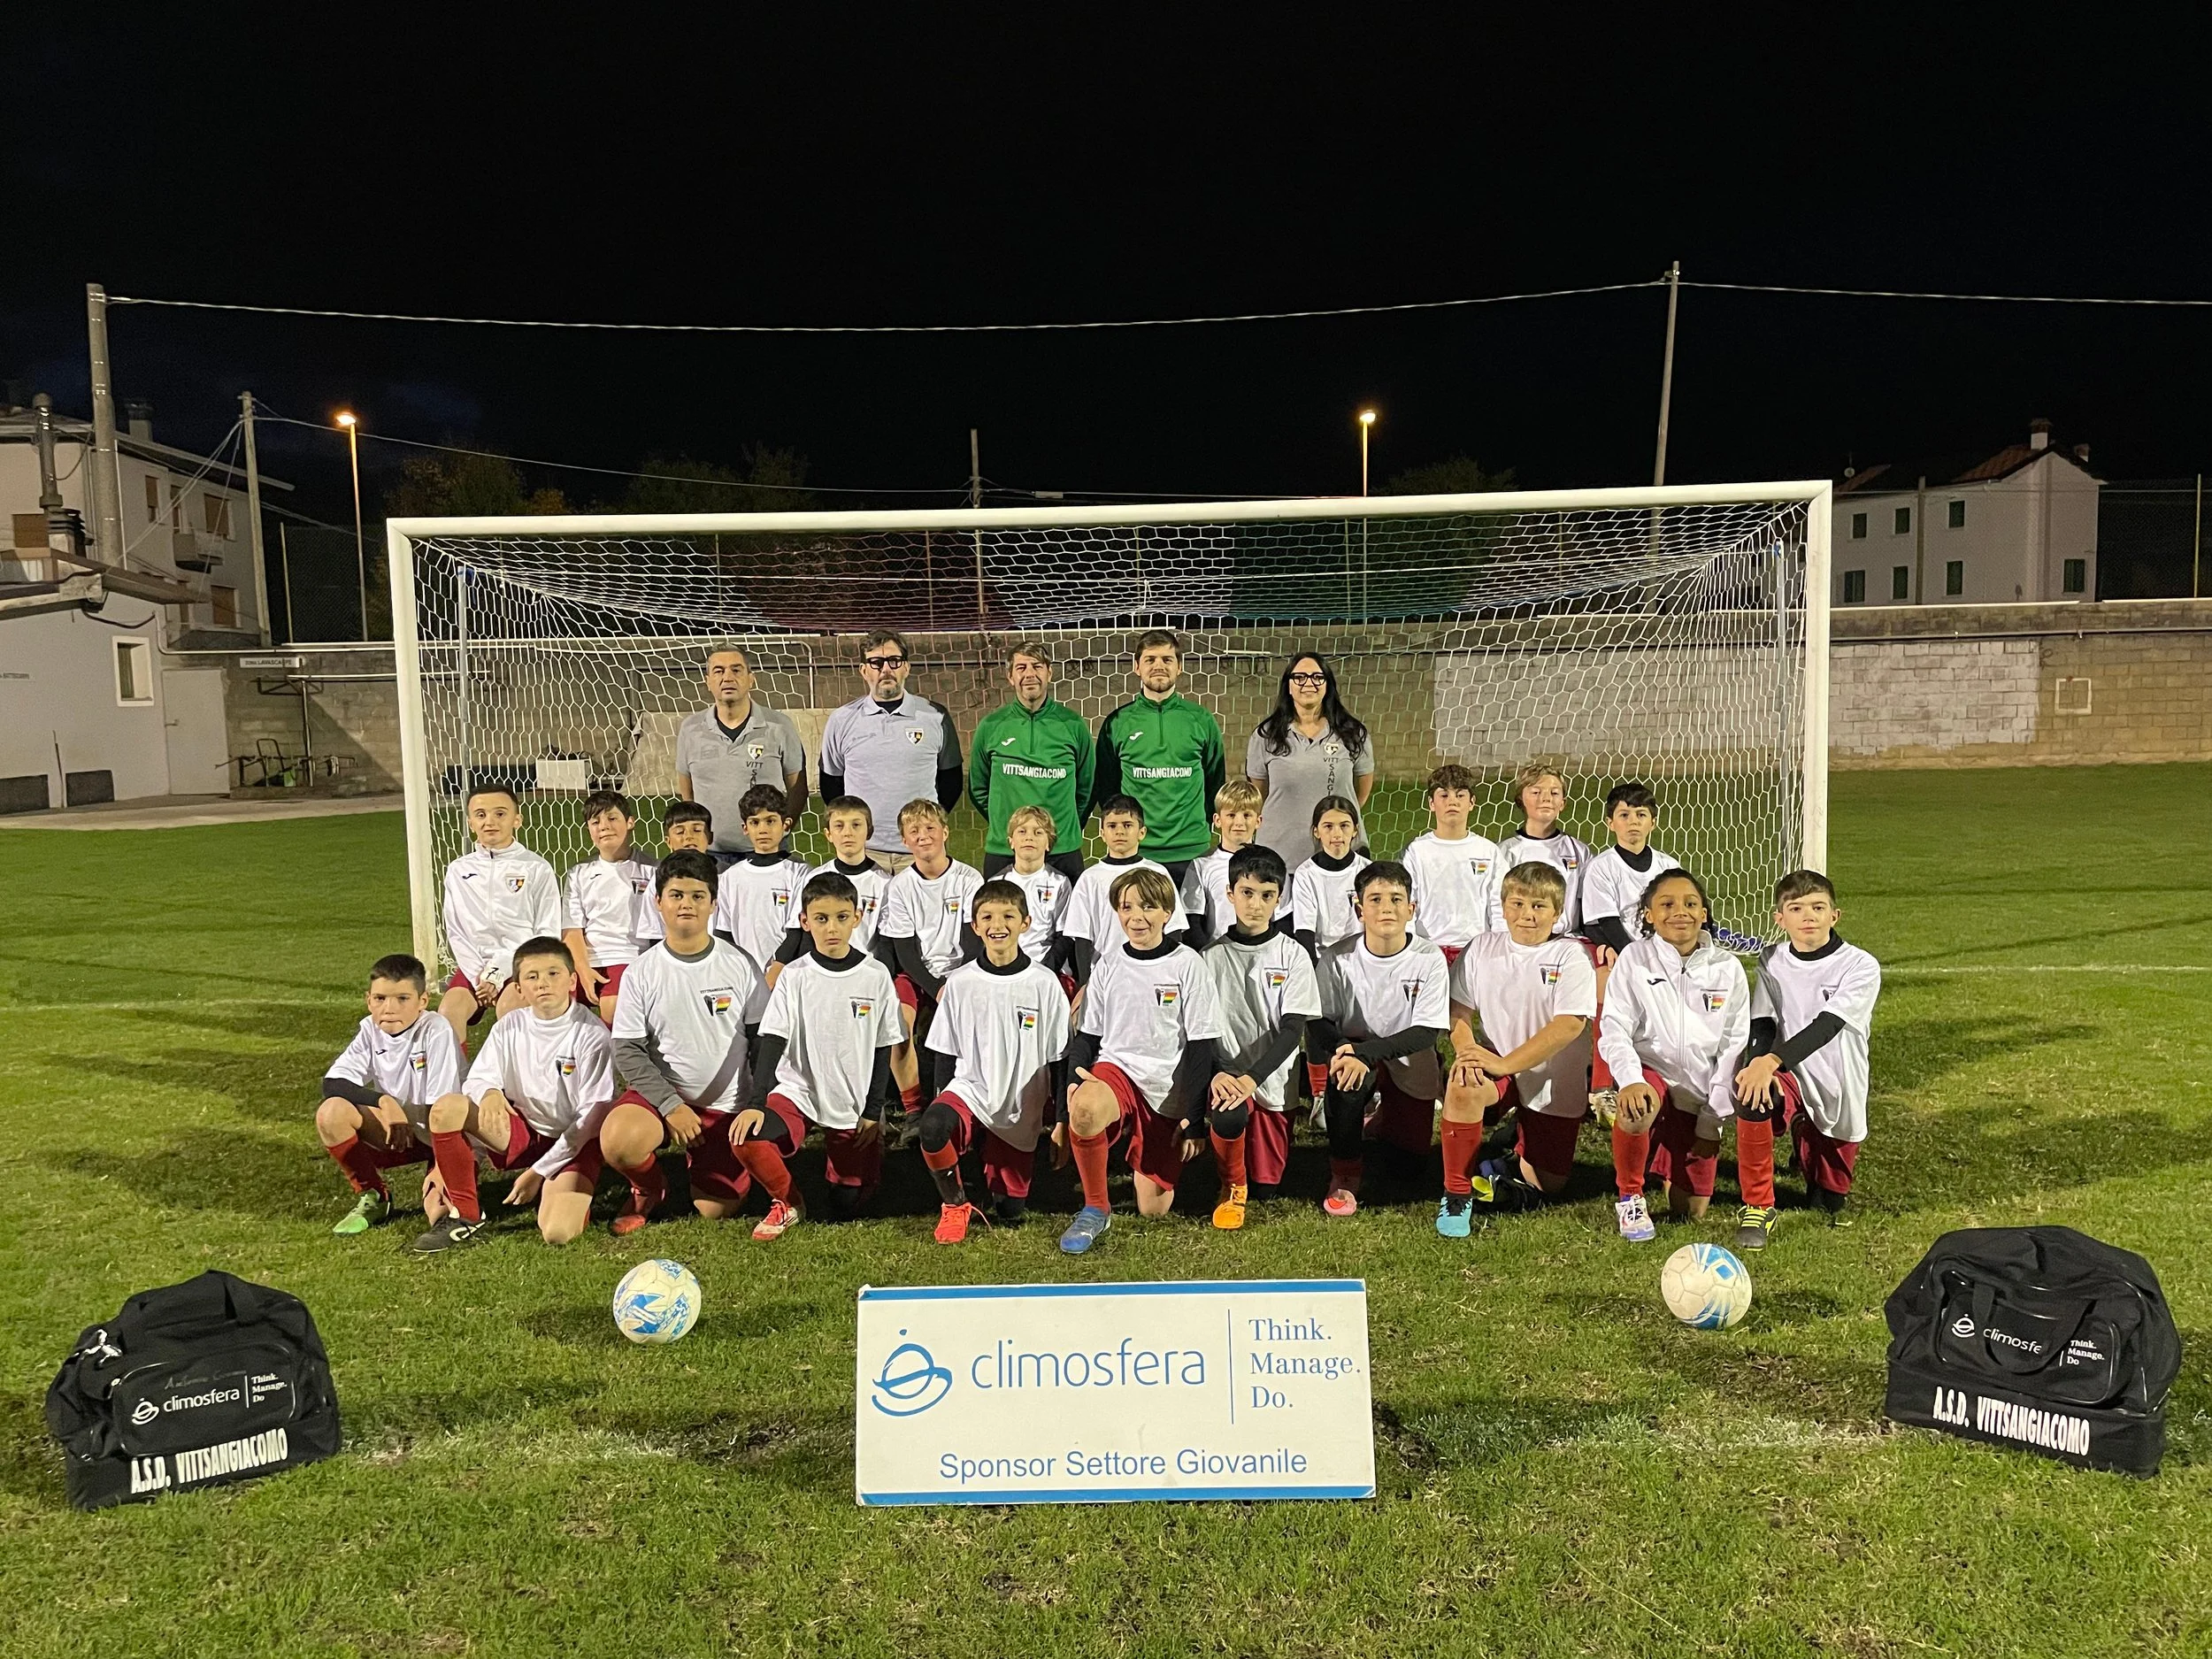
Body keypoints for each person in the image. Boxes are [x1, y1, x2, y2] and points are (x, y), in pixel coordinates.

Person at [1056, 866, 1226, 1254]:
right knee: (1085, 1105)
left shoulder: (1188, 966)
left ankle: (1139, 1161)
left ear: (1167, 912)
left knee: (1153, 1209)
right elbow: (1088, 1036)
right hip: (1116, 1071)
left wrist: (1195, 1119)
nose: (1136, 917)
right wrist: (1068, 1106)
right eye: (1127, 907)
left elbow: (1202, 1046)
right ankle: (1095, 1208)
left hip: (1166, 1087)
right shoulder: (1107, 965)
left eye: (1147, 907)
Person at [411, 936, 617, 1254]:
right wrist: (491, 1091)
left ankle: (570, 1188)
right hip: (525, 1130)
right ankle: (466, 1217)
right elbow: (477, 1079)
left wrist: (539, 1172)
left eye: (553, 974)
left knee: (558, 1232)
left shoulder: (592, 1036)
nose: (543, 984)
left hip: (575, 1143)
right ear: (519, 988)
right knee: (447, 1108)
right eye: (532, 977)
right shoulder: (509, 1026)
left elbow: (588, 1121)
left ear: (572, 980)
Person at [601, 849, 764, 1238]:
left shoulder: (741, 964)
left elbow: (762, 1043)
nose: (686, 904)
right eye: (676, 895)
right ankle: (648, 1187)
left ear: (713, 903)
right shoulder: (642, 971)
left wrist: (758, 1105)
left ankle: (714, 1162)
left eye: (696, 895)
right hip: (665, 1102)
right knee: (619, 1140)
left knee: (715, 1209)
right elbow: (627, 1049)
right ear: (658, 902)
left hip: (725, 1107)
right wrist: (671, 1105)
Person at [736, 872, 907, 1236]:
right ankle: (788, 1201)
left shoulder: (875, 975)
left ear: (857, 918)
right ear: (804, 921)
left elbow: (883, 1046)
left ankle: (860, 1163)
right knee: (748, 1136)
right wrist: (756, 1100)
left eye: (842, 918)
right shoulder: (794, 976)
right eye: (821, 918)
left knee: (847, 1203)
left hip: (852, 1099)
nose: (832, 928)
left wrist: (873, 1110)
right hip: (798, 1092)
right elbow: (772, 1039)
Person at [1439, 863, 1596, 1238]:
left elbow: (1569, 1025)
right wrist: (1466, 1052)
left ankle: (1509, 1145)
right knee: (1462, 1085)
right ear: (1504, 906)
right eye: (1518, 903)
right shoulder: (1483, 947)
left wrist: (1505, 1061)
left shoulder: (1570, 957)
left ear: (1557, 914)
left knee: (1548, 1186)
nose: (1527, 915)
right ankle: (1456, 1194)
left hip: (1552, 1079)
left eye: (1539, 906)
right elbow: (1458, 1011)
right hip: (1498, 1067)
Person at [1595, 869, 1749, 1241]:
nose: (1679, 912)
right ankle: (1630, 1198)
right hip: (1652, 1078)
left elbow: (1734, 1046)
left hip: (1697, 1099)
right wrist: (1630, 1079)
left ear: (1704, 913)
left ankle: (1664, 1155)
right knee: (1637, 1104)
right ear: (1648, 914)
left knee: (1691, 1211)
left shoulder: (1727, 968)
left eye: (1690, 903)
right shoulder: (1635, 958)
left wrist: (1712, 1120)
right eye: (1667, 904)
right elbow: (1615, 1027)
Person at [1732, 870, 1882, 1247]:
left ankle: (1805, 1135)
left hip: (1839, 1079)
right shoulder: (1772, 959)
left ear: (1835, 916)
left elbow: (1827, 1026)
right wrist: (1757, 1063)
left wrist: (1770, 1062)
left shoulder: (1860, 965)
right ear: (1779, 919)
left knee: (1826, 1203)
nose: (1808, 916)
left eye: (1818, 907)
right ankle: (1758, 1205)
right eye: (1796, 908)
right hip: (1790, 1073)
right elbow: (1763, 1020)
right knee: (1751, 1095)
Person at [918, 879, 1071, 1241]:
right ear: (975, 926)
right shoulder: (960, 982)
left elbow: (1061, 1060)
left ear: (1026, 923)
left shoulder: (1045, 983)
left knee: (1009, 1210)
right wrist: (939, 1105)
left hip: (1021, 1106)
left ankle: (996, 1171)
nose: (997, 925)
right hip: (970, 1091)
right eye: (986, 917)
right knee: (934, 1128)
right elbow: (945, 1051)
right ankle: (955, 1205)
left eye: (1007, 916)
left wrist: (1062, 1121)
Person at [1310, 861, 1451, 1218]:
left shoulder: (1429, 958)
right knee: (1345, 1078)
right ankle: (1345, 1170)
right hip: (1354, 1055)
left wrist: (1362, 1052)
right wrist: (1348, 1053)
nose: (1386, 908)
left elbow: (1425, 1032)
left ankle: (1383, 1118)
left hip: (1408, 1056)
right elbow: (1319, 1022)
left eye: (1395, 899)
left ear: (1411, 909)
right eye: (1374, 899)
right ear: (1359, 909)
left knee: (1408, 1168)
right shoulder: (1336, 957)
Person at [1201, 845, 1321, 1225]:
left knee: (1269, 1186)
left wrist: (1253, 1078)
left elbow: (1292, 1031)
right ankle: (1231, 1185)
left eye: (1266, 895)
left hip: (1271, 1079)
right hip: (1226, 1076)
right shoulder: (1208, 958)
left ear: (1279, 899)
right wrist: (1224, 1072)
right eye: (1247, 893)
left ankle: (1246, 1165)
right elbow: (1199, 1031)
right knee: (1229, 1113)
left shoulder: (1293, 955)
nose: (1255, 905)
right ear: (1230, 894)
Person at [315, 953, 464, 1236]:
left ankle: (449, 1181)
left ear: (422, 1002)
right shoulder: (370, 1029)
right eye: (380, 998)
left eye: (402, 999)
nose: (389, 1008)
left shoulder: (435, 1029)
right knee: (331, 1112)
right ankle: (374, 1197)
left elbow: (442, 1108)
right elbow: (333, 1082)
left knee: (439, 1213)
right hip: (403, 1130)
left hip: (448, 1134)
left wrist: (442, 1169)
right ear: (368, 1000)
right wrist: (385, 1101)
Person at [874, 798, 984, 1118]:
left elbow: (973, 941)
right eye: (914, 830)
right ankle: (913, 1110)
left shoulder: (969, 879)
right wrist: (936, 988)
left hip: (962, 972)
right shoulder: (900, 886)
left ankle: (962, 1100)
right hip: (919, 975)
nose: (923, 836)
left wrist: (953, 983)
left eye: (930, 828)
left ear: (945, 832)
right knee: (897, 1025)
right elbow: (905, 952)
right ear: (904, 840)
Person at [818, 630, 964, 869]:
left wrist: (923, 826)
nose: (886, 669)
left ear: (905, 667)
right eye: (876, 662)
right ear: (864, 670)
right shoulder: (841, 720)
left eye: (894, 661)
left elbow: (951, 781)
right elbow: (831, 786)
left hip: (920, 850)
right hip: (863, 852)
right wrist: (855, 829)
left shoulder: (935, 716)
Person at [1091, 628, 1225, 884]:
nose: (1158, 666)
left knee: (1192, 925)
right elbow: (1107, 788)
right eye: (1150, 660)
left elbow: (1215, 782)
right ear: (1136, 667)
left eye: (1167, 659)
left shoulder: (1201, 720)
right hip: (1138, 852)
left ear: (1179, 667)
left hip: (1193, 851)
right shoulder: (1118, 722)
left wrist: (1199, 827)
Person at [1578, 781, 1680, 1110]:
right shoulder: (1602, 867)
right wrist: (1637, 957)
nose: (1633, 822)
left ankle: (1670, 1073)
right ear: (1610, 823)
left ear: (1653, 821)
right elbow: (1606, 921)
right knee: (1608, 995)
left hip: (1664, 951)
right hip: (1621, 951)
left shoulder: (1668, 866)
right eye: (1624, 815)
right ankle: (1602, 1087)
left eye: (1640, 814)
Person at [439, 781, 560, 1048]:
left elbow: (546, 933)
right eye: (481, 815)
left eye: (500, 814)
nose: (489, 821)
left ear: (518, 819)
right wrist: (478, 977)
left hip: (523, 964)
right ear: (471, 822)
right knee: (447, 1015)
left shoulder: (537, 868)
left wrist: (500, 971)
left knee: (509, 1012)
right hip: (476, 969)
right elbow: (456, 931)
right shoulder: (458, 870)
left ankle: (515, 1086)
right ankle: (455, 1087)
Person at [969, 639, 1093, 884]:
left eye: (1037, 667)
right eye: (1021, 668)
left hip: (1062, 849)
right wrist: (1006, 823)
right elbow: (978, 788)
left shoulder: (1073, 725)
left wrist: (1063, 827)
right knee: (1000, 921)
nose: (1030, 674)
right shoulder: (992, 726)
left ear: (1049, 673)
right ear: (1010, 676)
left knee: (1070, 922)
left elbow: (1087, 787)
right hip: (1006, 850)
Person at [673, 645, 807, 858]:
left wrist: (782, 830)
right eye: (719, 671)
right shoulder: (690, 729)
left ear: (751, 679)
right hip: (709, 854)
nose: (728, 677)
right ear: (707, 681)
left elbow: (798, 789)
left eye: (736, 670)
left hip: (766, 852)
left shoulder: (779, 726)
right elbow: (687, 793)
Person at [1246, 652, 1376, 870]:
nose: (1308, 683)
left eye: (1317, 677)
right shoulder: (1265, 735)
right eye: (1299, 677)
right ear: (1288, 685)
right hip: (1279, 858)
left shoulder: (1353, 733)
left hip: (1340, 854)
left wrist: (1333, 821)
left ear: (1328, 685)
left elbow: (1359, 793)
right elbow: (1259, 796)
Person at [709, 785, 810, 1033]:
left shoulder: (800, 873)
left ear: (786, 825)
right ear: (745, 829)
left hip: (787, 975)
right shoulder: (730, 878)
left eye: (770, 821)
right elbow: (724, 934)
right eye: (755, 822)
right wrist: (736, 974)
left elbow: (798, 931)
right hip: (744, 979)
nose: (762, 829)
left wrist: (777, 969)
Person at [1058, 794, 1187, 986]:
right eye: (1112, 826)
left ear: (1141, 832)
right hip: (1105, 976)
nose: (1119, 831)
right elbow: (1082, 937)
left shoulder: (1157, 872)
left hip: (1152, 973)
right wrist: (1085, 983)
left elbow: (1173, 930)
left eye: (1127, 825)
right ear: (1101, 833)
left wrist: (1168, 970)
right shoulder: (1090, 878)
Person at [561, 789, 653, 1028]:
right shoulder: (578, 873)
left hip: (628, 956)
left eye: (612, 818)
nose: (604, 826)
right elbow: (572, 930)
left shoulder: (653, 870)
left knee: (613, 1007)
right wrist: (582, 969)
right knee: (551, 1001)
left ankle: (619, 1064)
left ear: (630, 822)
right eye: (595, 821)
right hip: (585, 959)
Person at [772, 797, 893, 973]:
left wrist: (880, 976)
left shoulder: (885, 883)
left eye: (856, 825)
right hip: (821, 973)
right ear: (828, 834)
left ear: (869, 832)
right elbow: (801, 934)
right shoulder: (813, 878)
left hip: (865, 973)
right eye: (839, 826)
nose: (847, 833)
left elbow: (886, 944)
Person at [1403, 763, 1507, 964]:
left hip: (1477, 951)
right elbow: (1408, 902)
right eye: (1444, 795)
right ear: (1431, 803)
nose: (1453, 802)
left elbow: (1499, 904)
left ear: (1472, 802)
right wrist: (1410, 947)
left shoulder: (1488, 851)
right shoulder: (1416, 851)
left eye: (1460, 795)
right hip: (1428, 951)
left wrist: (1499, 947)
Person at [1496, 758, 1594, 936]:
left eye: (1554, 793)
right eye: (1536, 792)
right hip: (1521, 939)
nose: (1546, 798)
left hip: (1567, 941)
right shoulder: (1505, 852)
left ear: (1562, 804)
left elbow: (1589, 905)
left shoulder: (1579, 851)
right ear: (1520, 800)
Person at [1179, 777, 1267, 948]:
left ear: (1258, 821)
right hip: (1218, 954)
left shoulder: (1270, 863)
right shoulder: (1201, 865)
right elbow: (1192, 922)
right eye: (1231, 815)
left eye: (1247, 815)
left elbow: (1281, 919)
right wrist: (1208, 955)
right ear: (1217, 820)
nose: (1239, 823)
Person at [1289, 795, 1371, 959]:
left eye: (1344, 826)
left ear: (1355, 830)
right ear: (1316, 831)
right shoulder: (1305, 874)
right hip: (1323, 960)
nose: (1337, 834)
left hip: (1363, 959)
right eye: (1328, 826)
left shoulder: (1368, 870)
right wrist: (1313, 970)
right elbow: (1304, 930)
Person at [998, 804, 1074, 970]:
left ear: (1048, 843)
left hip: (1049, 969)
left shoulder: (1059, 882)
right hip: (1007, 968)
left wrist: (1045, 971)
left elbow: (1065, 936)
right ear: (1011, 842)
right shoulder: (997, 883)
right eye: (1022, 831)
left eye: (1038, 832)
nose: (1029, 837)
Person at [631, 802, 715, 949]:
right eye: (680, 832)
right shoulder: (658, 881)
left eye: (696, 830)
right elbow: (653, 934)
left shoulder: (726, 877)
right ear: (668, 841)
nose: (689, 837)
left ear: (710, 837)